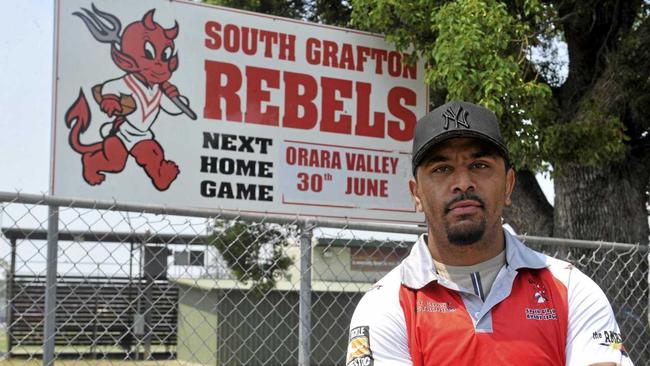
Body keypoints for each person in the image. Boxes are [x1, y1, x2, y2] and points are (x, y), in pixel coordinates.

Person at [346, 101, 633, 366]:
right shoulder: (386, 304)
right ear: (416, 194)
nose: (462, 182)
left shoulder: (571, 290)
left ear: (508, 184)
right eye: (442, 168)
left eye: (479, 166)